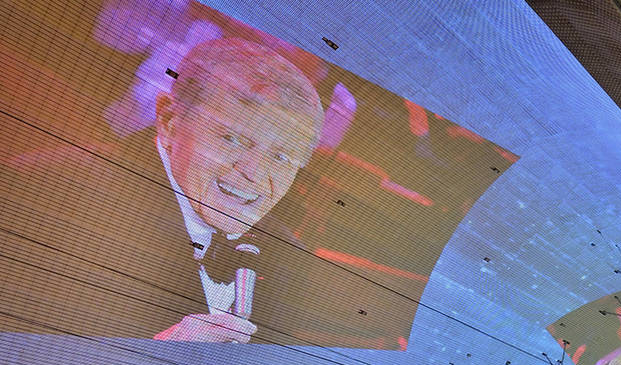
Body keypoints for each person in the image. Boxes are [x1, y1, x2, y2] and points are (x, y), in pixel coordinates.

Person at [0, 35, 392, 345]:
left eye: (283, 158)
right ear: (169, 120)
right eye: (233, 139)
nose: (253, 174)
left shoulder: (289, 253)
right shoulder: (48, 189)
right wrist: (148, 360)